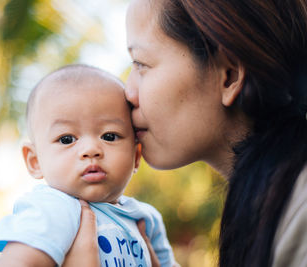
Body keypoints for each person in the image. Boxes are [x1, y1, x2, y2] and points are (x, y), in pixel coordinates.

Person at [68, 0, 307, 267]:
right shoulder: (266, 204)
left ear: (229, 76)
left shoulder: (299, 211)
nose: (128, 92)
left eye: (141, 64)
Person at [0, 64, 179, 267]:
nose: (91, 149)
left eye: (109, 136)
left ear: (136, 156)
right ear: (35, 161)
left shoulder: (147, 219)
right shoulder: (53, 209)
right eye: (66, 139)